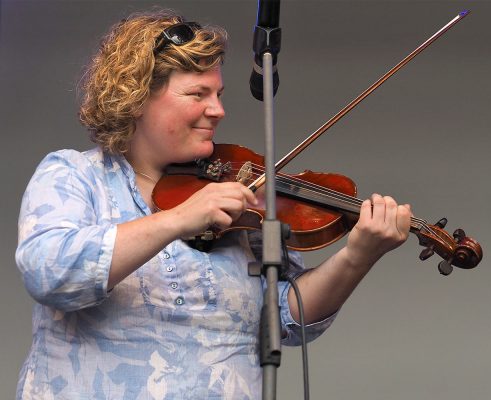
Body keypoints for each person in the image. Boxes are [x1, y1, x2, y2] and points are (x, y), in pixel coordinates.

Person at [15, 10, 412, 399]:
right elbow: (50, 272)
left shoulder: (235, 196)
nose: (218, 110)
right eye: (197, 94)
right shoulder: (75, 175)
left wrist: (358, 256)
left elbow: (285, 320)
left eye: (218, 94)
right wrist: (178, 220)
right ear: (136, 98)